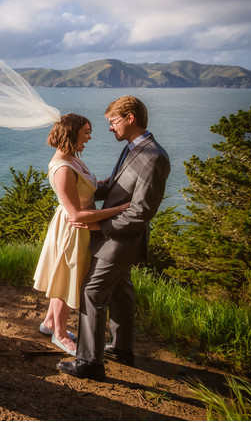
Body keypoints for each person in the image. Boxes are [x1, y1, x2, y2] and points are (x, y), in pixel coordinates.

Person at [57, 96, 170, 380]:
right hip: (119, 239)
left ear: (130, 118)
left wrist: (101, 228)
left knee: (92, 292)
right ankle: (121, 349)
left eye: (113, 121)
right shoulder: (134, 148)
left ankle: (89, 363)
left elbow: (142, 211)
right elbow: (116, 185)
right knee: (121, 293)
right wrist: (82, 189)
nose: (109, 128)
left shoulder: (153, 156)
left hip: (120, 240)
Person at [33, 114, 130, 356]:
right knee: (67, 281)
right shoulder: (62, 168)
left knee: (63, 277)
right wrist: (119, 210)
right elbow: (76, 213)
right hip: (73, 229)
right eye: (85, 132)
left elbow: (88, 189)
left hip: (81, 228)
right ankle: (61, 334)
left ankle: (49, 323)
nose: (89, 136)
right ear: (72, 133)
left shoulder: (73, 160)